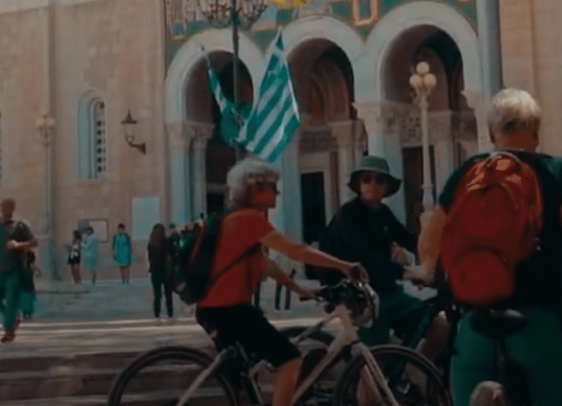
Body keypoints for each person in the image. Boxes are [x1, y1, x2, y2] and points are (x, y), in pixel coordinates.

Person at [419, 89, 562, 406]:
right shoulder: (558, 172)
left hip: (476, 328)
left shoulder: (468, 173)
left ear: (493, 133)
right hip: (542, 325)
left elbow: (428, 248)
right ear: (535, 132)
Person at [197, 158, 361, 406]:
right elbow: (295, 250)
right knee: (291, 360)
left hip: (217, 308)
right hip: (229, 309)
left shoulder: (234, 220)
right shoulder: (249, 219)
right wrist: (344, 265)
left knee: (246, 376)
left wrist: (298, 288)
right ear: (255, 189)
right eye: (273, 186)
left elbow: (266, 264)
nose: (278, 191)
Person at [317, 154, 422, 346]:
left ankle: (397, 367)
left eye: (379, 180)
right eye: (366, 179)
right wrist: (406, 273)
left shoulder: (383, 213)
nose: (372, 184)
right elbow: (366, 256)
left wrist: (434, 255)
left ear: (387, 187)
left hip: (384, 289)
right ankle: (369, 371)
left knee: (427, 320)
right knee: (376, 345)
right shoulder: (349, 214)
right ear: (358, 184)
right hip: (358, 294)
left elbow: (409, 239)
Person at [0, 198, 38, 343]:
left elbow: (34, 242)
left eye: (10, 206)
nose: (7, 209)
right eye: (4, 206)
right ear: (1, 208)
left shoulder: (20, 226)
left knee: (11, 300)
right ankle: (13, 316)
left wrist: (18, 245)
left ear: (13, 208)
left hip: (15, 270)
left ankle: (9, 330)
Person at [147, 223, 174, 319]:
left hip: (155, 272)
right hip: (166, 271)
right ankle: (170, 312)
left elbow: (150, 258)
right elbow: (171, 255)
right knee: (168, 293)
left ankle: (157, 312)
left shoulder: (151, 244)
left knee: (157, 294)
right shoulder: (167, 242)